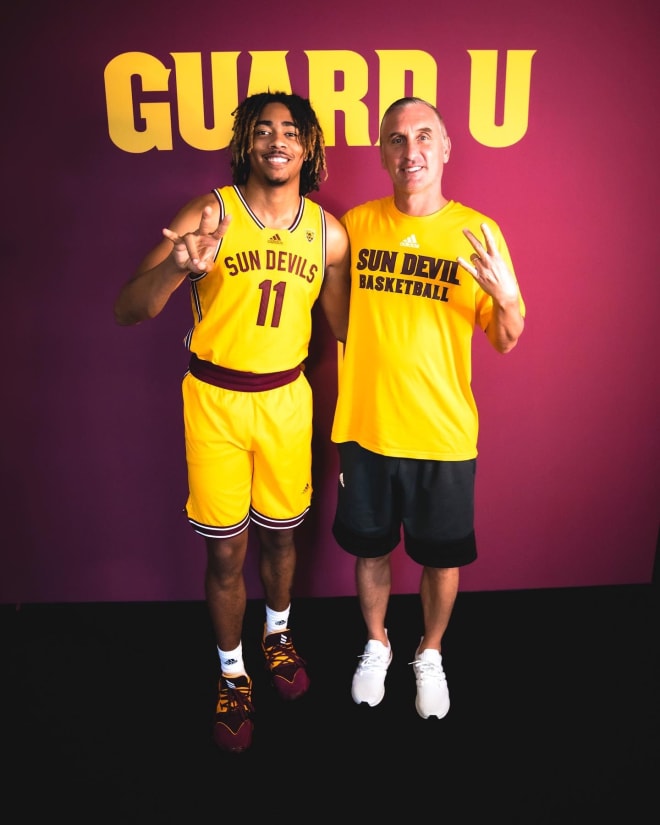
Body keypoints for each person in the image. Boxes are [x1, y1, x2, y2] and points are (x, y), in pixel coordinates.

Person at [114, 91, 350, 753]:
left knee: (280, 539)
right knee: (226, 551)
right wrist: (177, 267)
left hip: (286, 400)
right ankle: (231, 672)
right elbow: (128, 308)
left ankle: (276, 636)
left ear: (308, 148)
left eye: (291, 131)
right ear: (247, 142)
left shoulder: (328, 231)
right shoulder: (210, 212)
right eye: (265, 130)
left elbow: (345, 330)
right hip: (215, 401)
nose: (278, 141)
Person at [331, 97, 525, 720]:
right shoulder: (354, 225)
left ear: (445, 148)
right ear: (382, 151)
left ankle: (431, 651)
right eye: (395, 139)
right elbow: (332, 318)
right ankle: (377, 643)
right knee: (370, 551)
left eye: (422, 137)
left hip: (443, 434)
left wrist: (508, 298)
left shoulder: (479, 233)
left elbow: (504, 337)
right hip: (365, 427)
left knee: (442, 558)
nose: (409, 151)